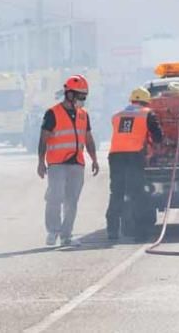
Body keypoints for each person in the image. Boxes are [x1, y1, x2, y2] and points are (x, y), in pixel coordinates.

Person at [37, 75, 99, 247]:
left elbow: (88, 138)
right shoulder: (52, 113)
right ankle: (52, 231)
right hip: (57, 164)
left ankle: (66, 235)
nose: (83, 101)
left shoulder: (83, 115)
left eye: (84, 97)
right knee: (55, 198)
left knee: (72, 201)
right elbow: (43, 139)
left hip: (77, 163)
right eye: (81, 97)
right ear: (70, 94)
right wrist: (41, 162)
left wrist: (94, 159)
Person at [106, 87, 164, 241]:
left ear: (132, 100)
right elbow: (158, 137)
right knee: (137, 193)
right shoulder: (147, 113)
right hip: (134, 156)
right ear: (146, 101)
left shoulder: (117, 116)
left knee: (116, 193)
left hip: (115, 156)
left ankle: (112, 230)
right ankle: (140, 230)